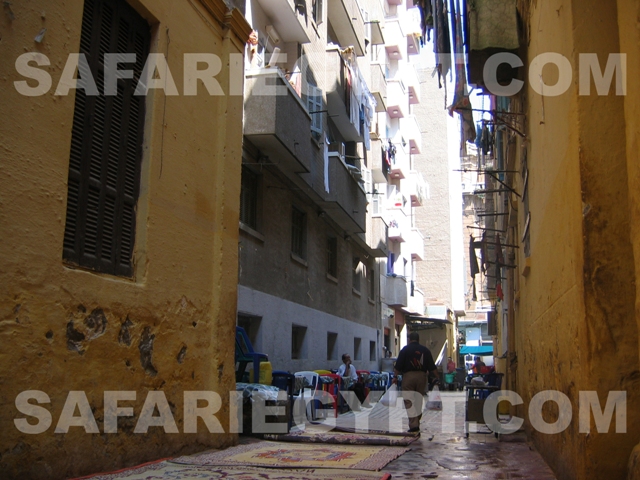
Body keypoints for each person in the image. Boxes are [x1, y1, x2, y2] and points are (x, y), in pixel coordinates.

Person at [394, 331, 439, 433]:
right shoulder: (425, 350)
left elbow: (398, 366)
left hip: (408, 376)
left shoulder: (405, 350)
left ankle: (413, 424)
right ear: (418, 340)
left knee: (408, 399)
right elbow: (432, 366)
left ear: (409, 339)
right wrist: (437, 377)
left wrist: (395, 377)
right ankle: (416, 420)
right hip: (421, 377)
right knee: (418, 399)